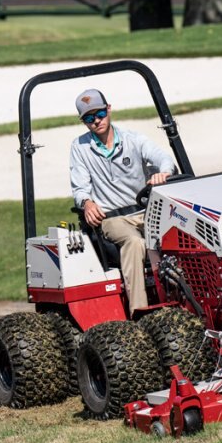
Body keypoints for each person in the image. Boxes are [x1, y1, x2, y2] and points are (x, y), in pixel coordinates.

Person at [69, 88, 174, 313]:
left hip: (147, 213)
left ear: (108, 109)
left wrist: (163, 173)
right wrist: (87, 203)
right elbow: (79, 188)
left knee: (181, 238)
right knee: (134, 242)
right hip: (112, 218)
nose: (96, 121)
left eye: (99, 114)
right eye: (88, 118)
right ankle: (140, 312)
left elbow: (164, 158)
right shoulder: (80, 148)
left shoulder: (133, 139)